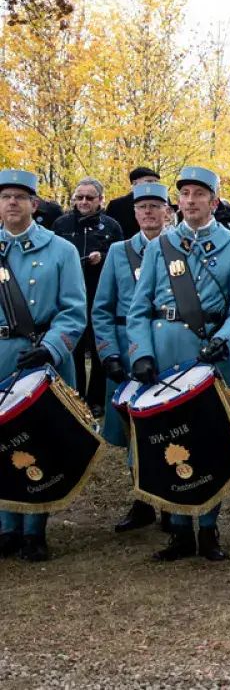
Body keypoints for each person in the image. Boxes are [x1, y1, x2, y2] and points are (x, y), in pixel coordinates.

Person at [127, 166, 230, 562]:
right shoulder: (159, 247)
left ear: (215, 201)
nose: (191, 200)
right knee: (168, 440)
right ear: (177, 201)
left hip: (210, 358)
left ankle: (210, 528)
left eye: (200, 194)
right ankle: (179, 529)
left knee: (210, 439)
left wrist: (225, 339)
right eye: (185, 194)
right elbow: (139, 310)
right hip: (164, 356)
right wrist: (141, 354)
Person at [0, 169, 87, 562]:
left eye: (20, 197)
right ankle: (6, 527)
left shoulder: (61, 250)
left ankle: (35, 529)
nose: (12, 203)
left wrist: (51, 347)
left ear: (35, 205)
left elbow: (74, 311)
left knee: (41, 442)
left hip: (41, 358)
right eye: (5, 197)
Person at [92, 182, 171, 534]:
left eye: (156, 206)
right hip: (127, 349)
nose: (149, 212)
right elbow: (102, 308)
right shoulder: (118, 252)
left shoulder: (178, 248)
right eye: (142, 207)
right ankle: (141, 500)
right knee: (132, 428)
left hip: (168, 348)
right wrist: (108, 353)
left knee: (167, 424)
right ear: (134, 212)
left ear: (168, 210)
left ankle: (172, 498)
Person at [53, 178, 124, 416]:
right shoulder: (61, 224)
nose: (83, 202)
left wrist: (102, 256)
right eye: (79, 197)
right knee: (72, 348)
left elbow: (119, 261)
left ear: (100, 200)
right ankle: (75, 395)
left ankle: (97, 400)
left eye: (89, 198)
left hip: (99, 295)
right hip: (68, 296)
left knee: (98, 349)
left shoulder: (112, 226)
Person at [106, 167, 161, 239]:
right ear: (135, 184)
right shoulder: (117, 205)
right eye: (149, 181)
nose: (154, 185)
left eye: (156, 182)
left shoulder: (163, 202)